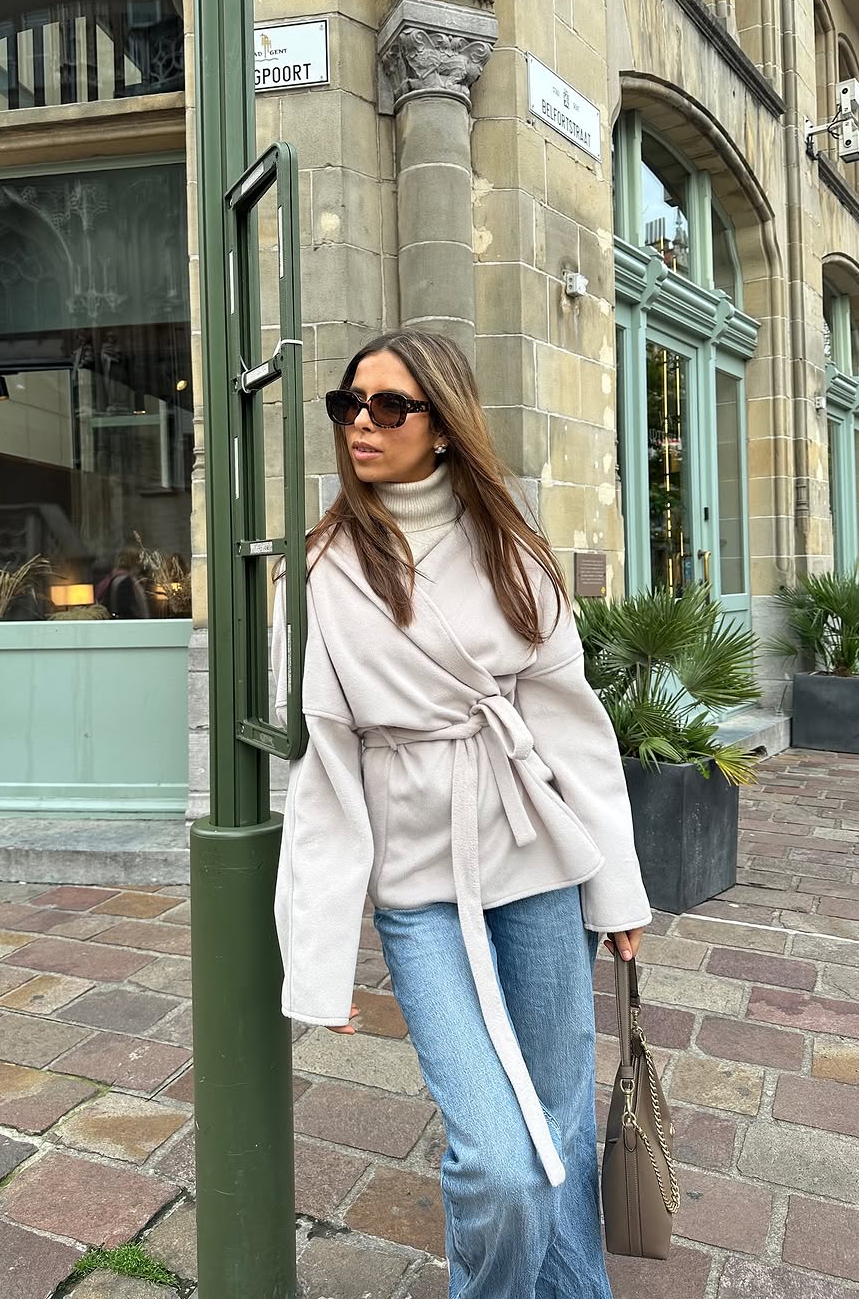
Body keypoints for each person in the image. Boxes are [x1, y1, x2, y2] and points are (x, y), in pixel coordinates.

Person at [271, 329, 651, 1299]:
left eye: (389, 406)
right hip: (417, 886)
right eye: (349, 404)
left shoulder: (513, 553)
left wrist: (617, 891)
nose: (361, 423)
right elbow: (324, 769)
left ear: (443, 426)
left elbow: (574, 734)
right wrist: (320, 957)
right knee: (498, 1161)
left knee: (561, 1122)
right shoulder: (321, 571)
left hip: (535, 857)